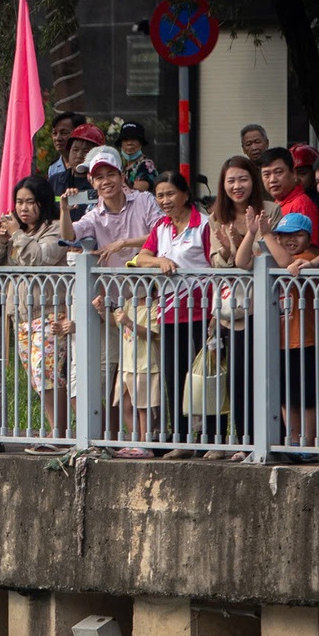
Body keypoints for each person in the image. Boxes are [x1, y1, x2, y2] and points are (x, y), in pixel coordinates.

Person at [128, 170, 215, 458]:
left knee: (205, 375)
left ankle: (210, 439)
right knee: (174, 376)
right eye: (159, 195)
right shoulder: (161, 227)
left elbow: (214, 265)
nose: (165, 200)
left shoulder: (203, 224)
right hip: (168, 313)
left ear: (186, 195)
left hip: (201, 310)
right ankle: (181, 438)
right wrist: (159, 260)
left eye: (170, 194)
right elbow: (141, 258)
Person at [0, 175, 72, 447]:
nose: (23, 208)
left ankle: (60, 433)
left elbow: (41, 259)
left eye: (30, 202)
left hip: (50, 312)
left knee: (46, 374)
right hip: (20, 316)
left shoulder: (56, 229)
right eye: (19, 202)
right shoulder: (15, 235)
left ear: (42, 204)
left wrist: (18, 235)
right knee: (37, 378)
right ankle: (55, 431)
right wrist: (1, 237)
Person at [261, 213, 319, 449]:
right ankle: (293, 440)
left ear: (309, 238)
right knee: (286, 395)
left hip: (305, 339)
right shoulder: (274, 254)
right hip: (280, 341)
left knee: (306, 396)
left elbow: (284, 263)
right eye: (284, 235)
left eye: (298, 235)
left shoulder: (308, 257)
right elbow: (245, 260)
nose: (291, 240)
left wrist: (266, 234)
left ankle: (308, 443)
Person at [59, 145, 160, 269]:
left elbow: (162, 234)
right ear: (92, 182)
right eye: (99, 177)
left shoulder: (145, 200)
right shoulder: (94, 214)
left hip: (149, 284)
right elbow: (68, 235)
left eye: (111, 175)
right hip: (112, 285)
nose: (106, 181)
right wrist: (64, 210)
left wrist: (123, 243)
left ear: (122, 177)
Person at [259, 147, 319, 251]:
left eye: (278, 172)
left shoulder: (301, 204)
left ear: (293, 173)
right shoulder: (276, 204)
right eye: (266, 174)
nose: (272, 180)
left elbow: (310, 252)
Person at [49, 123, 105, 197]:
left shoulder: (102, 184)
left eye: (86, 151)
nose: (79, 156)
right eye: (75, 150)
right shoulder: (55, 181)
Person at [115, 122, 161, 193]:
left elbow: (138, 191)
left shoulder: (147, 165)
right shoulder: (122, 167)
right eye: (125, 140)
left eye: (133, 139)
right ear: (121, 144)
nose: (129, 143)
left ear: (140, 143)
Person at [46, 112, 83, 184]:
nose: (58, 138)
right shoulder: (53, 168)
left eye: (64, 133)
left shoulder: (89, 164)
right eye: (54, 133)